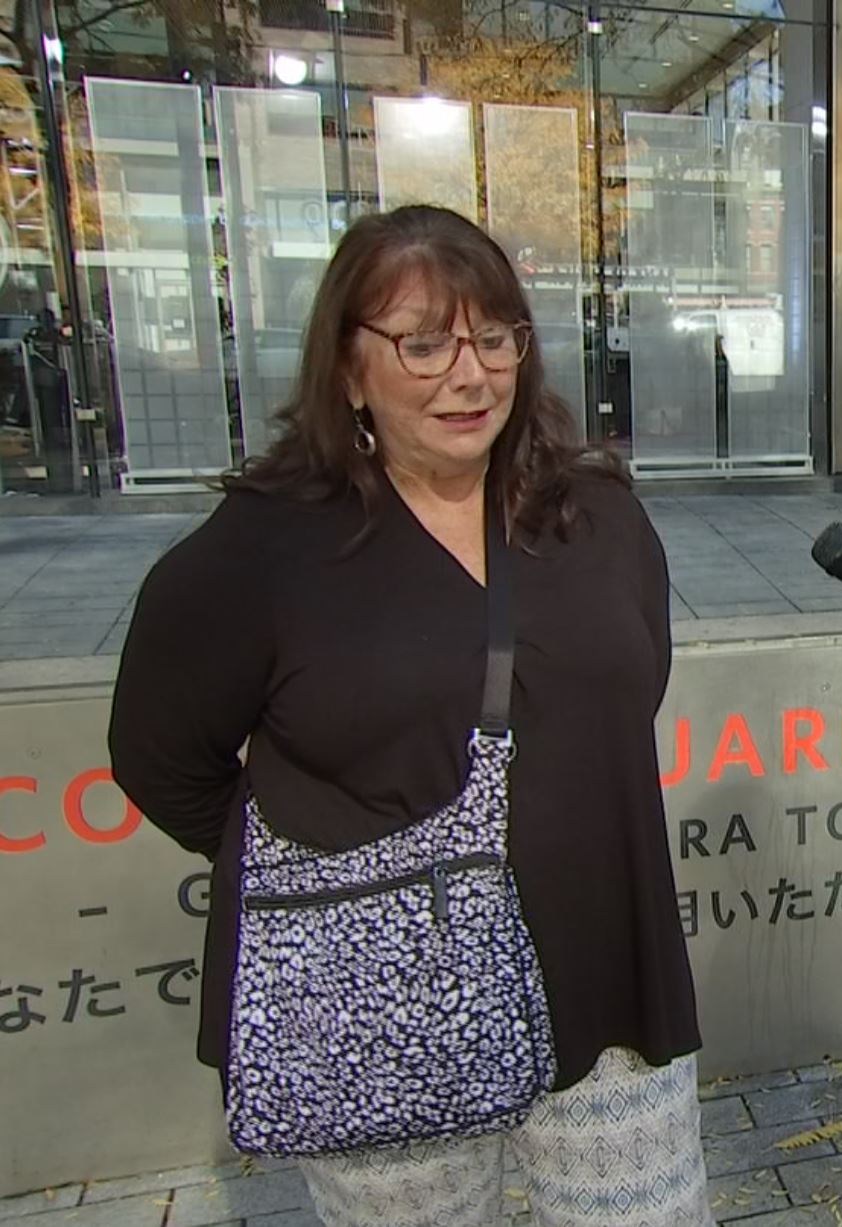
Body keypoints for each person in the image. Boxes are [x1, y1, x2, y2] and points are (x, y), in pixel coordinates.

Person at [108, 205, 713, 1227]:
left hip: (602, 968)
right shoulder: (263, 552)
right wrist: (342, 865)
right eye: (423, 343)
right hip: (379, 999)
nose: (468, 375)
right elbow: (162, 757)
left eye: (494, 337)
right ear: (349, 369)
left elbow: (626, 692)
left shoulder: (596, 515)